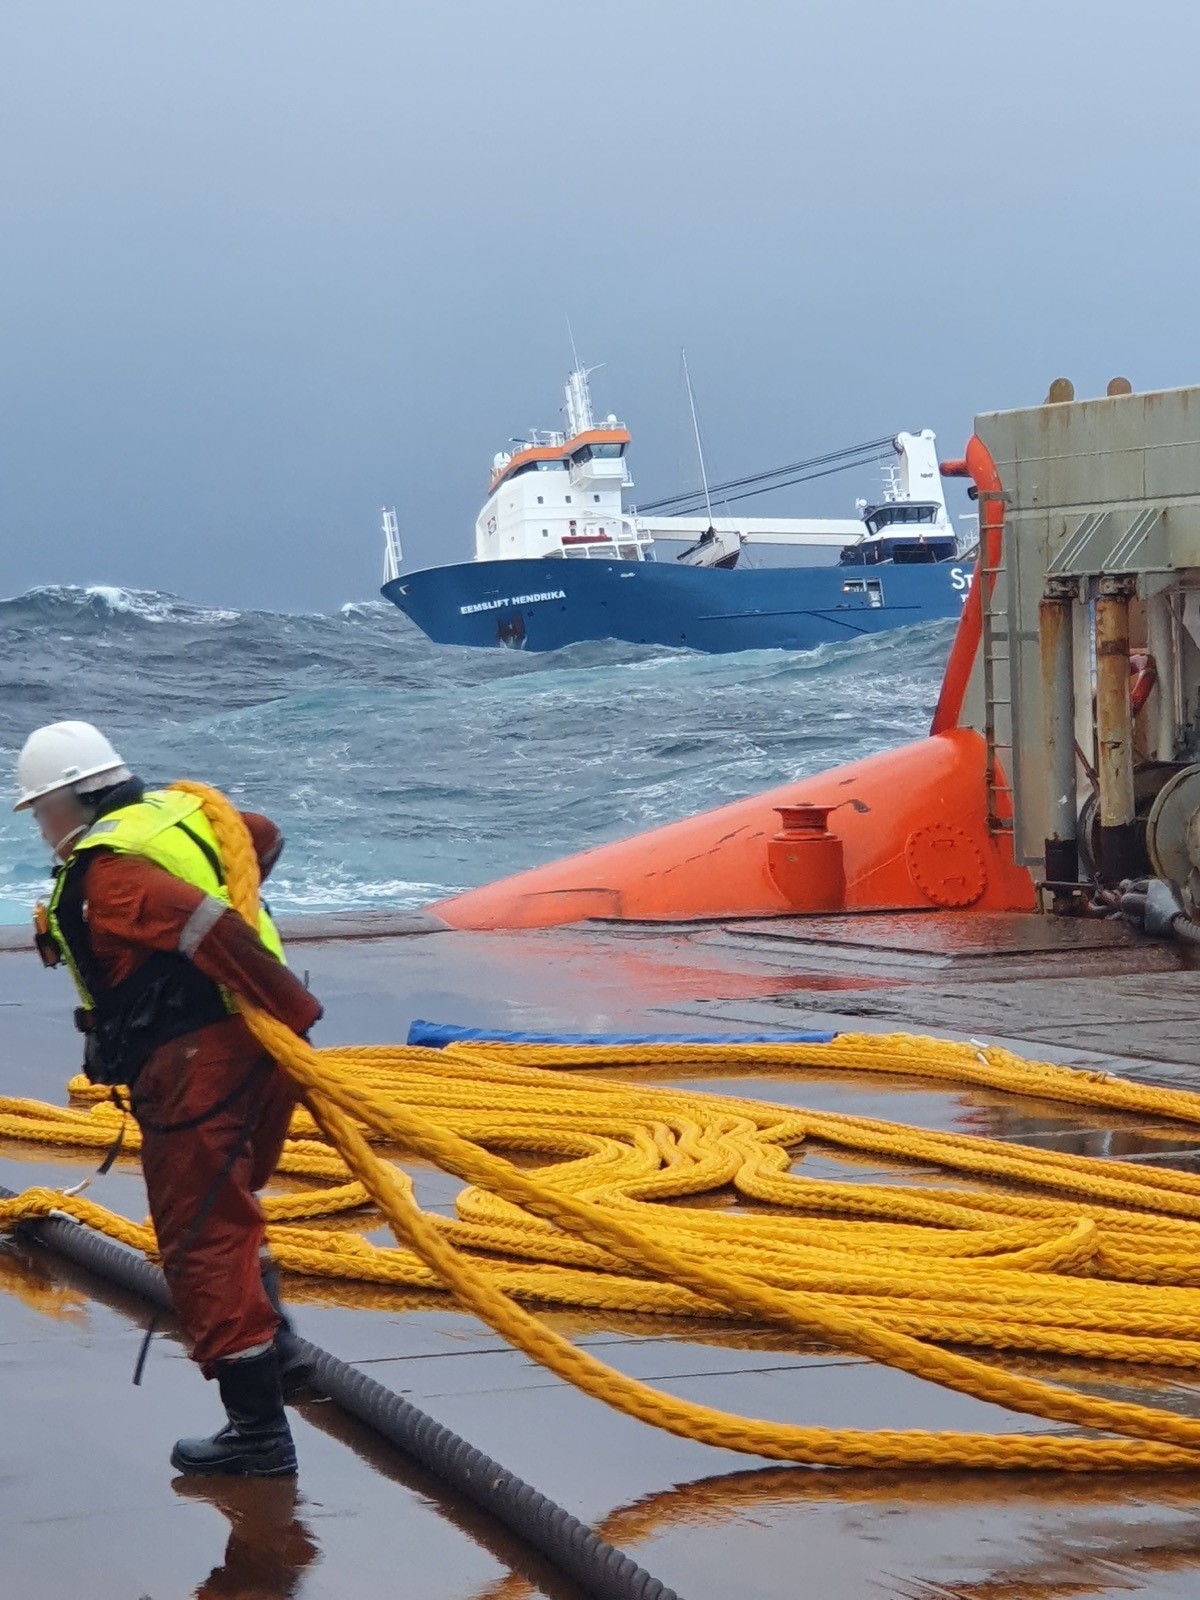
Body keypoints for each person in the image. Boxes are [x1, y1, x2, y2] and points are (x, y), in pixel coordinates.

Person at [14, 720, 323, 1477]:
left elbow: (205, 924)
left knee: (200, 1240)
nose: (43, 831)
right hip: (259, 1056)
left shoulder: (114, 873)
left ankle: (257, 1434)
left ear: (78, 797)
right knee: (233, 1205)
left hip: (202, 1066)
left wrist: (282, 1001)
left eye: (44, 812)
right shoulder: (175, 816)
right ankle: (278, 1353)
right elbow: (260, 838)